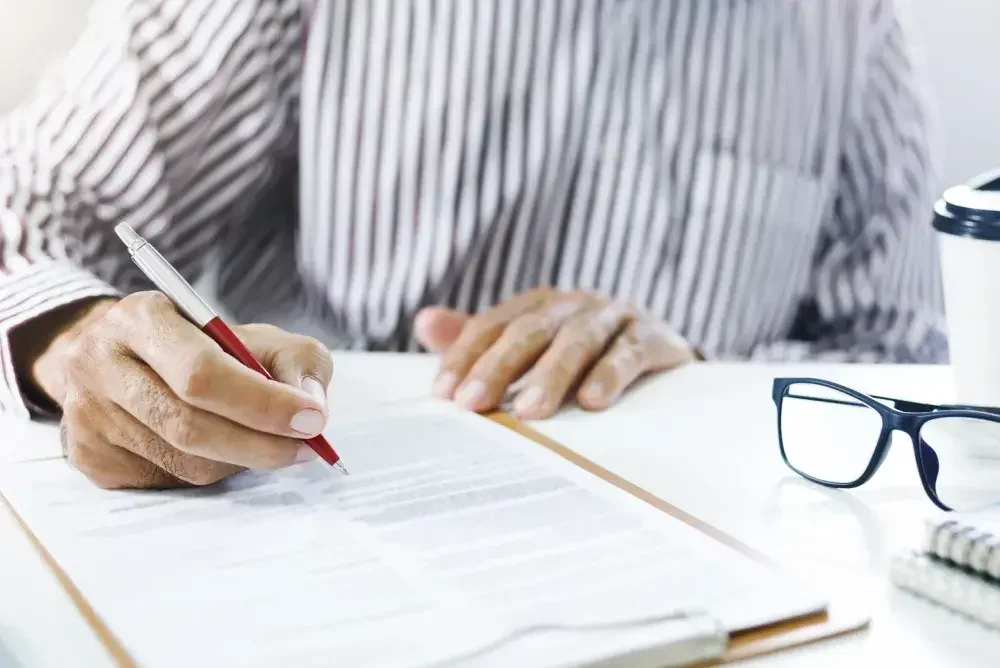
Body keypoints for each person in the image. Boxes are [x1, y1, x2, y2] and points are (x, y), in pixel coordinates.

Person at [0, 0, 945, 489]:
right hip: (335, 541)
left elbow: (911, 364)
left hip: (719, 578)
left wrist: (700, 375)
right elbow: (29, 207)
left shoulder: (848, 25)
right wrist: (79, 343)